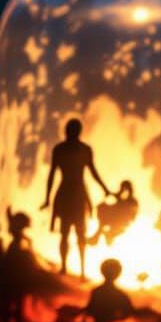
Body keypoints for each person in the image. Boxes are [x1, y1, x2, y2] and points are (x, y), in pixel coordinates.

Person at [42, 117, 110, 279]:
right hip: (68, 194)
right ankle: (66, 267)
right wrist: (47, 198)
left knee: (80, 233)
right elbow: (52, 174)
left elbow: (93, 172)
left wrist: (105, 189)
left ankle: (81, 270)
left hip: (77, 195)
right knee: (65, 232)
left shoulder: (83, 149)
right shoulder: (60, 149)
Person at [84, 258, 134, 322]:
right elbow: (129, 312)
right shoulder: (120, 295)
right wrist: (115, 319)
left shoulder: (96, 292)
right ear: (118, 274)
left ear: (102, 271)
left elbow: (90, 310)